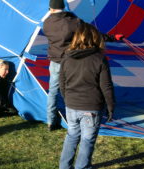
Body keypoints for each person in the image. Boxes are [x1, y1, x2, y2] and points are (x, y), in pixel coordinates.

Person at [43, 0, 122, 131]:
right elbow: (93, 35)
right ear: (63, 7)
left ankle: (51, 120)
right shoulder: (73, 22)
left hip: (55, 62)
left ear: (50, 9)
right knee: (81, 87)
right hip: (72, 62)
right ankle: (83, 114)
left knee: (53, 91)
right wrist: (113, 37)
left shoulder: (47, 23)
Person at [59, 22, 115, 169]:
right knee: (87, 140)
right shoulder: (99, 58)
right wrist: (110, 106)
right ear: (95, 38)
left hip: (71, 105)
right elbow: (106, 86)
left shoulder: (67, 56)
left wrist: (68, 99)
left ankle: (64, 166)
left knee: (72, 136)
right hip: (91, 107)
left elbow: (62, 83)